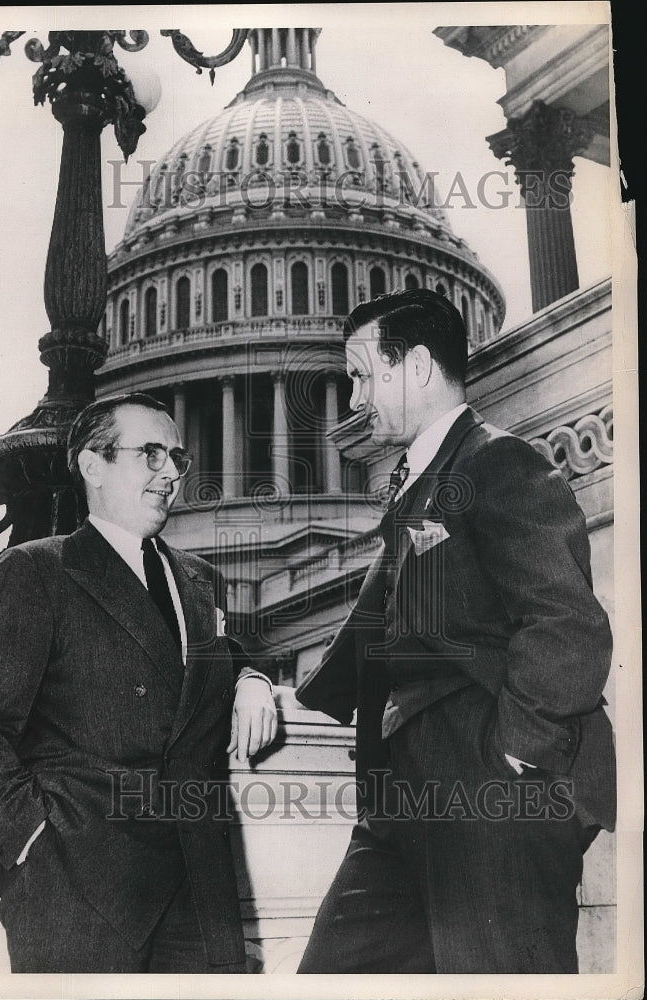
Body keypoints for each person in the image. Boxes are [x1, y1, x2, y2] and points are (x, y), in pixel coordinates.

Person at [295, 289, 615, 974]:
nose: (354, 399)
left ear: (413, 366)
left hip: (486, 788)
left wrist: (516, 757)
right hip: (400, 797)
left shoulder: (496, 462)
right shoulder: (416, 482)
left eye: (360, 374)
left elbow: (565, 621)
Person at [0, 392, 278, 973]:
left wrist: (249, 677)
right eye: (150, 454)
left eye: (177, 458)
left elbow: (197, 672)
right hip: (79, 893)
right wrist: (35, 845)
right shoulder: (38, 570)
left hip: (199, 894)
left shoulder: (201, 581)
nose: (171, 473)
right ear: (93, 466)